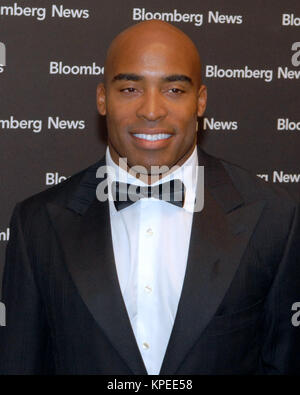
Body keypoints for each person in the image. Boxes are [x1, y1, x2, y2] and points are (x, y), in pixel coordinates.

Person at [0, 20, 299, 375]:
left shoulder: (275, 217)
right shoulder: (37, 225)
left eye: (174, 90)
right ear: (102, 98)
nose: (152, 110)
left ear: (200, 101)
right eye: (129, 89)